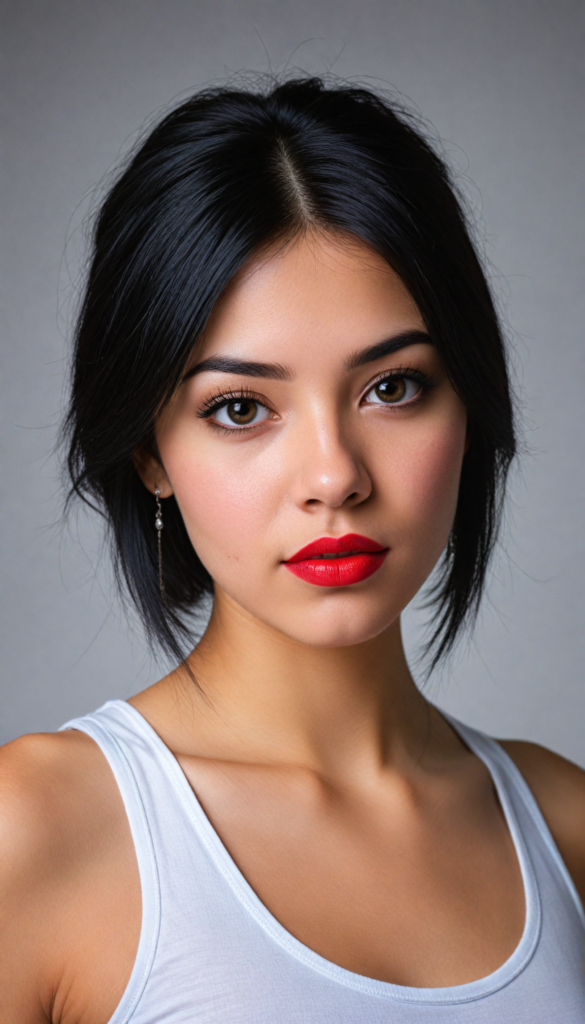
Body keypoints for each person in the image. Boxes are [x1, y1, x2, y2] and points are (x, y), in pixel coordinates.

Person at [1, 77, 584, 1024]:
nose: (333, 476)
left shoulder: (564, 827)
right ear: (150, 450)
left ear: (468, 404)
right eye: (240, 408)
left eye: (392, 387)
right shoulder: (35, 831)